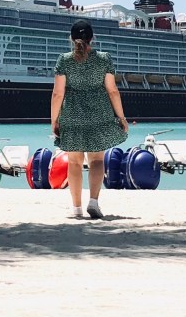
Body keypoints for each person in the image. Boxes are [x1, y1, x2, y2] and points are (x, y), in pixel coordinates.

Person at [50, 19, 128, 219]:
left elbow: (58, 94)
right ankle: (93, 202)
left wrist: (54, 120)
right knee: (97, 160)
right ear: (92, 38)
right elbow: (112, 90)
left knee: (74, 162)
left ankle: (76, 208)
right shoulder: (104, 59)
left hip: (72, 114)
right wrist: (121, 117)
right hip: (99, 114)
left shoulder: (64, 60)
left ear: (71, 38)